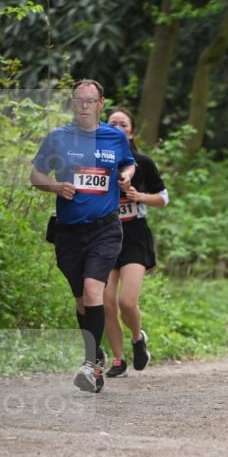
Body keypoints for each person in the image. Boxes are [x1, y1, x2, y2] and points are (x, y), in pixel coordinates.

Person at [30, 80, 135, 393]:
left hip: (105, 228)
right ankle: (95, 353)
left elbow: (128, 163)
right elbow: (35, 174)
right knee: (81, 300)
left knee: (93, 291)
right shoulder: (58, 137)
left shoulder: (114, 136)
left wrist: (126, 176)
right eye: (79, 101)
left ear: (101, 103)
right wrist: (55, 186)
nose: (84, 106)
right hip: (68, 233)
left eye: (90, 101)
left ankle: (90, 364)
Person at [103, 107, 169, 377]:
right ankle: (118, 360)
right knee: (106, 302)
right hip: (104, 236)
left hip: (134, 237)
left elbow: (164, 199)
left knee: (127, 302)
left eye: (123, 124)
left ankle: (137, 339)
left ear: (131, 132)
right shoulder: (98, 163)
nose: (117, 127)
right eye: (112, 123)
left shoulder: (143, 163)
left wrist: (139, 197)